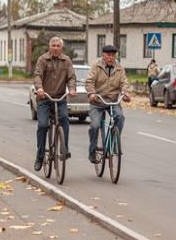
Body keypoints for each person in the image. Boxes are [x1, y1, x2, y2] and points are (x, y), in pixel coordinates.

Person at [32, 36, 77, 172]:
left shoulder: (66, 60)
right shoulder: (43, 59)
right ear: (49, 47)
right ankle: (40, 156)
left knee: (64, 119)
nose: (56, 48)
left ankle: (64, 149)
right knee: (43, 125)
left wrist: (72, 88)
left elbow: (71, 77)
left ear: (61, 47)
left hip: (60, 98)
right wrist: (39, 88)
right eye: (53, 45)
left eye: (58, 46)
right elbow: (37, 75)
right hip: (44, 98)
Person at [85, 44, 131, 164]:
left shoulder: (119, 67)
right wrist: (91, 93)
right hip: (97, 101)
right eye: (108, 55)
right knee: (95, 125)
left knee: (120, 117)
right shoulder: (96, 65)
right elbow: (89, 81)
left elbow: (124, 82)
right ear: (103, 55)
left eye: (113, 55)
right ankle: (92, 150)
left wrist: (125, 93)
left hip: (113, 101)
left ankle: (114, 142)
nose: (111, 58)